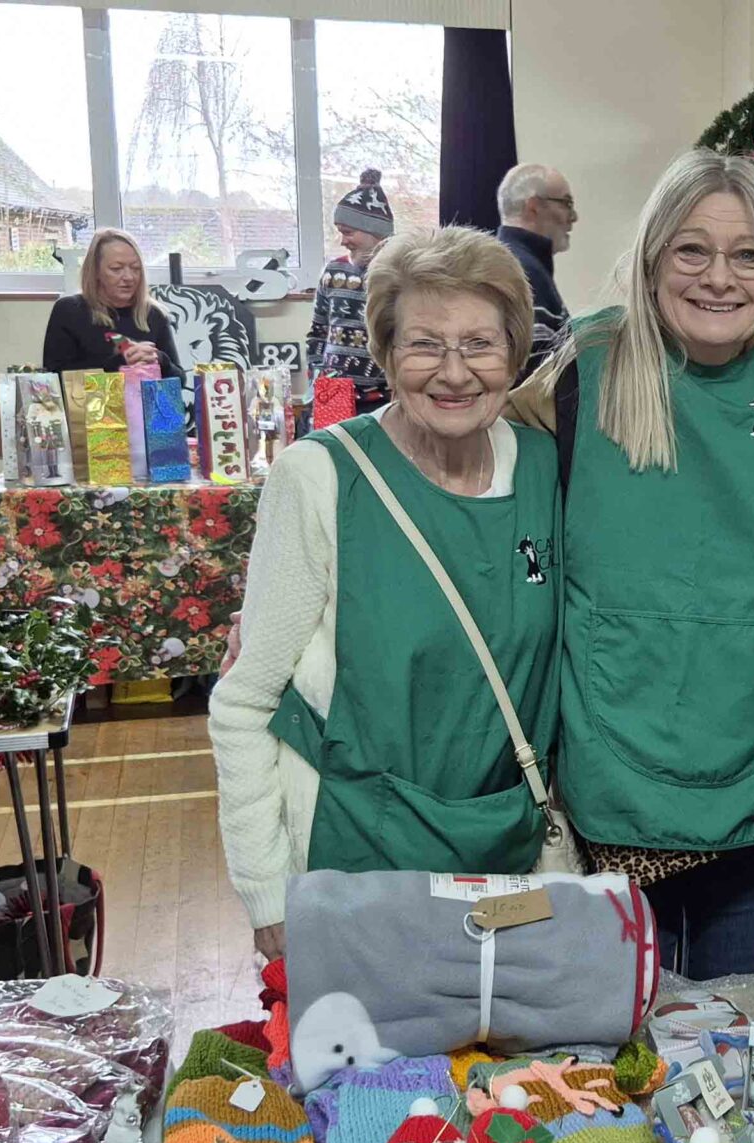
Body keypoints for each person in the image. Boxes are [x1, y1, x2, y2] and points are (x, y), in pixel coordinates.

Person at [509, 150, 754, 978]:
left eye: (746, 253)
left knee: (732, 1012)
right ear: (653, 258)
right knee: (623, 1026)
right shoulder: (587, 367)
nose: (719, 277)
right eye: (692, 249)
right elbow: (468, 484)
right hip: (615, 766)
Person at [212, 226, 560, 962]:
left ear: (515, 351)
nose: (455, 372)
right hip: (355, 855)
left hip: (506, 855)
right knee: (371, 1079)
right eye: (425, 343)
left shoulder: (543, 469)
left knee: (511, 1076)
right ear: (384, 350)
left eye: (481, 344)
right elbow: (244, 702)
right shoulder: (319, 476)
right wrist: (266, 892)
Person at [307, 168, 397, 415]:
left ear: (375, 232)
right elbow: (317, 331)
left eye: (348, 232)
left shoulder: (400, 274)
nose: (342, 241)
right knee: (331, 451)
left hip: (386, 398)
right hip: (332, 391)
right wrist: (317, 373)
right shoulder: (334, 271)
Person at [40, 228, 183, 378]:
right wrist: (120, 364)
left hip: (147, 400)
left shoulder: (153, 314)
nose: (129, 277)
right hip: (91, 401)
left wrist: (160, 359)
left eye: (136, 268)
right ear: (95, 272)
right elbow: (56, 377)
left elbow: (179, 380)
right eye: (116, 269)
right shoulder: (70, 311)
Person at [495, 163, 578, 376]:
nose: (574, 217)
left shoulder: (509, 263)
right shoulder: (520, 272)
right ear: (533, 207)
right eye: (567, 203)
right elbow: (534, 383)